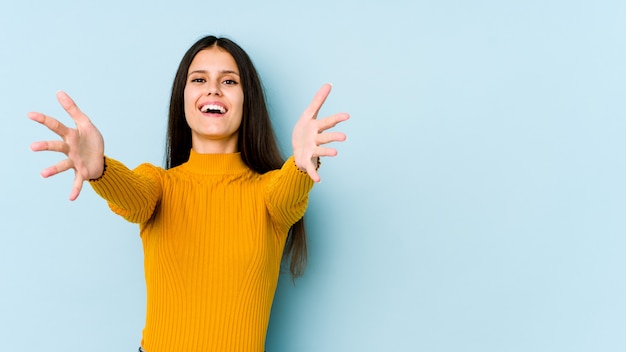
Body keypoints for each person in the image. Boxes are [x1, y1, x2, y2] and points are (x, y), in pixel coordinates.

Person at [28, 35, 349, 352]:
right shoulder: (158, 186)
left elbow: (289, 189)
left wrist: (303, 164)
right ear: (182, 98)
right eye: (199, 79)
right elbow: (131, 195)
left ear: (247, 99)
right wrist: (100, 170)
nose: (213, 89)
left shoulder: (268, 194)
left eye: (229, 81)